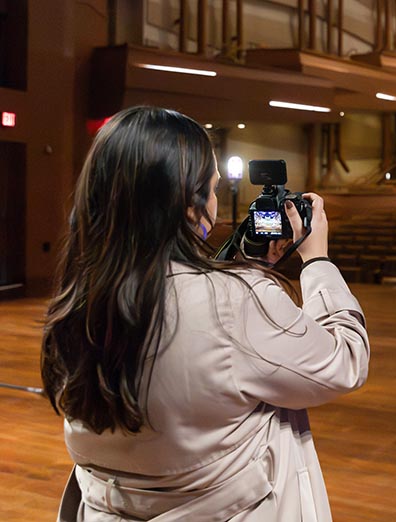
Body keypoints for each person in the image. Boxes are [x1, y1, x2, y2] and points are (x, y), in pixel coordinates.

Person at [41, 106, 370, 521]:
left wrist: (248, 275)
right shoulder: (233, 303)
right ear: (188, 203)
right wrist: (317, 260)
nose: (215, 202)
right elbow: (345, 361)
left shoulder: (76, 301)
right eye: (212, 189)